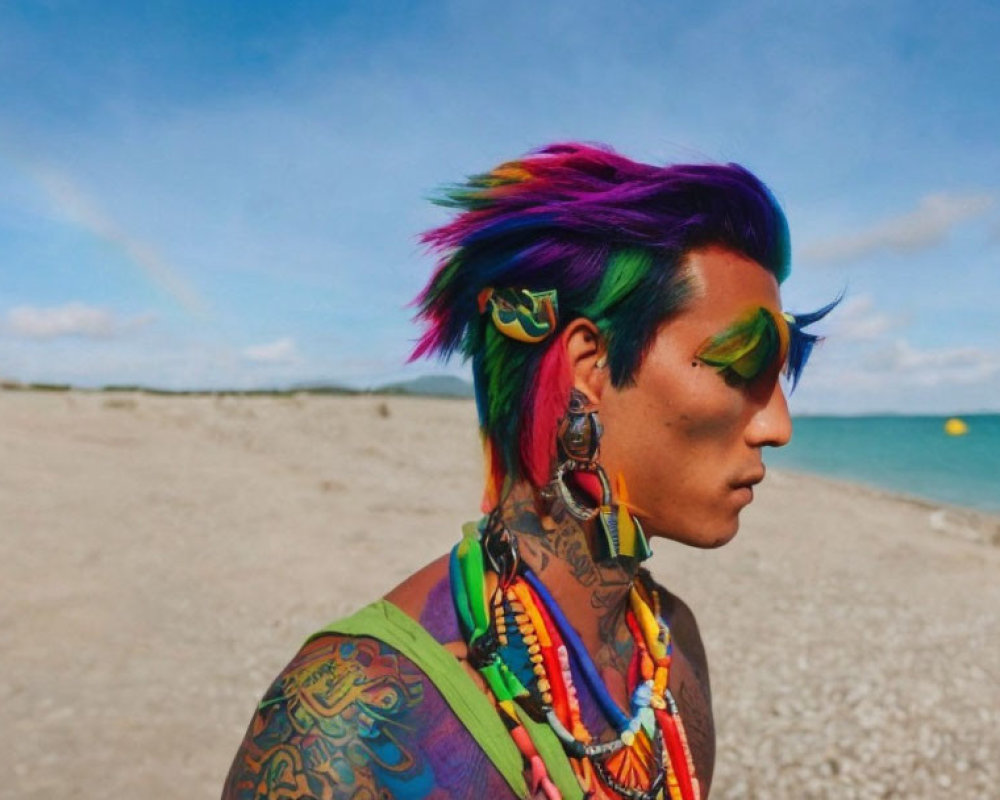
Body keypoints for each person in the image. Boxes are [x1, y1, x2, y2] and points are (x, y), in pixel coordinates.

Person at [222, 143, 835, 800]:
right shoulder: (343, 726)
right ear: (587, 371)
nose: (777, 425)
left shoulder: (669, 646)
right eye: (741, 368)